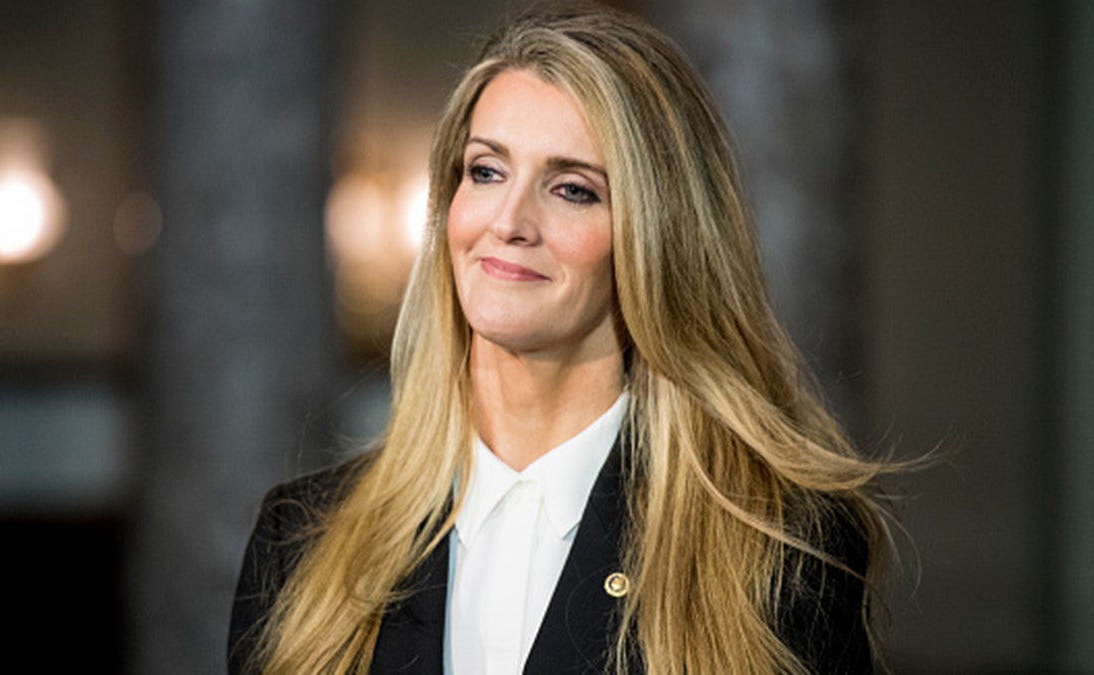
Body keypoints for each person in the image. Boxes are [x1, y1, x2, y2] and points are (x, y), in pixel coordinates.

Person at [230, 5, 894, 674]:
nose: (510, 221)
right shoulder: (300, 541)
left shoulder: (779, 550)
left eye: (573, 189)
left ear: (658, 237)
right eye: (486, 171)